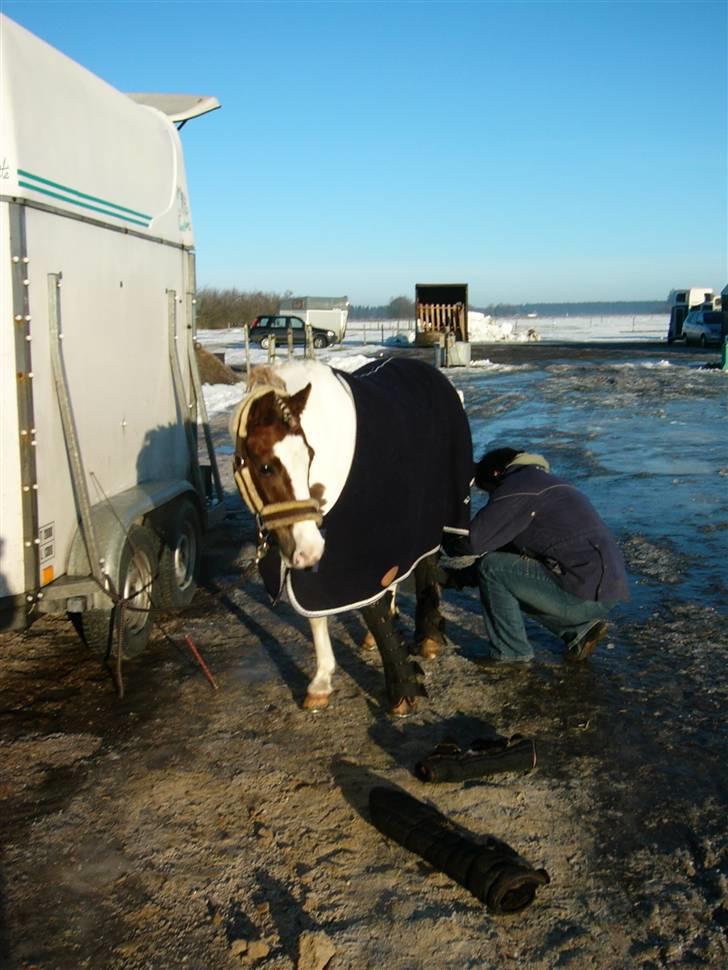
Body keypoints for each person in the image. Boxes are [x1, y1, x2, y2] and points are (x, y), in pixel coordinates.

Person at [444, 448, 629, 664]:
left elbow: (472, 542)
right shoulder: (545, 482)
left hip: (585, 592)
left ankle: (511, 654)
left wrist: (439, 538)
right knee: (513, 572)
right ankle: (579, 632)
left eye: (489, 492)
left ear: (495, 474)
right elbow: (509, 552)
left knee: (493, 568)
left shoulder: (519, 487)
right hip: (606, 586)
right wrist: (459, 578)